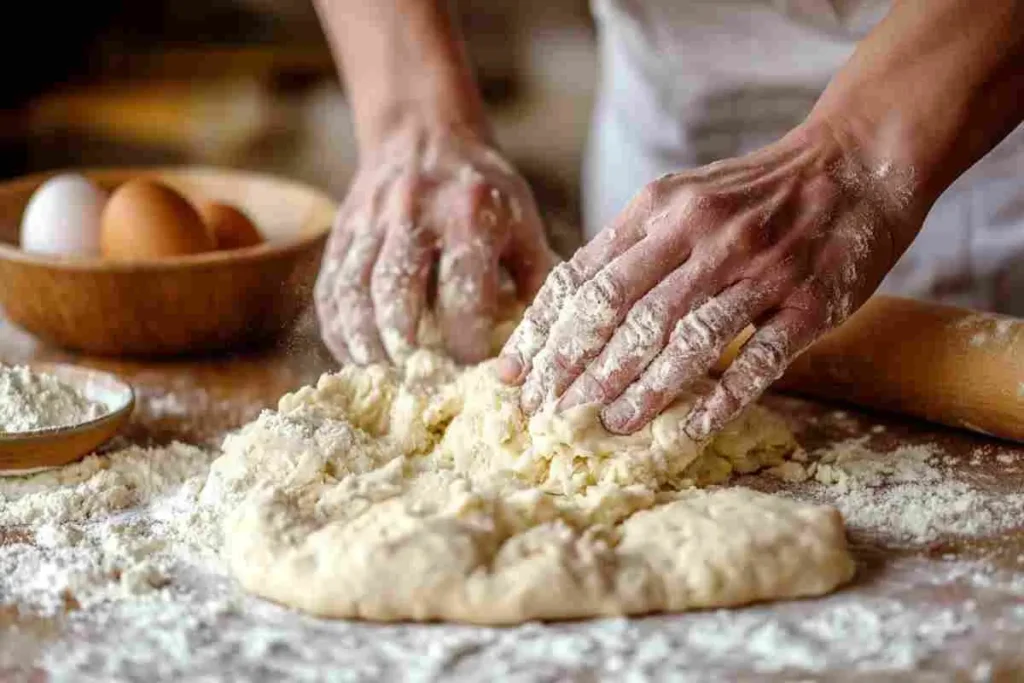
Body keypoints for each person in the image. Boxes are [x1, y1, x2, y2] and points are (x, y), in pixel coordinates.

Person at [311, 0, 1024, 442]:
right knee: (640, 350)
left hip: (983, 119)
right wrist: (413, 113)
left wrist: (858, 150)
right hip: (673, 95)